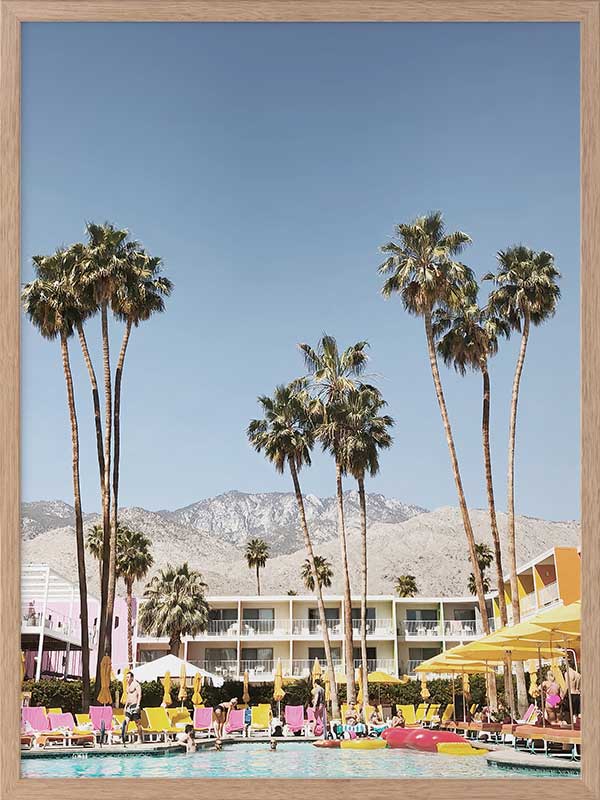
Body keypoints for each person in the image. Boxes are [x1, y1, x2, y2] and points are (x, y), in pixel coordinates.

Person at [122, 670, 142, 745]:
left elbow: (139, 695)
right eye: (126, 677)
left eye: (128, 677)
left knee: (137, 723)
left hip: (135, 705)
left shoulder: (136, 685)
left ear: (132, 678)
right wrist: (125, 706)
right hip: (129, 707)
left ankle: (140, 739)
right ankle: (123, 737)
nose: (126, 679)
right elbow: (128, 697)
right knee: (126, 722)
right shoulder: (127, 686)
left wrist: (138, 705)